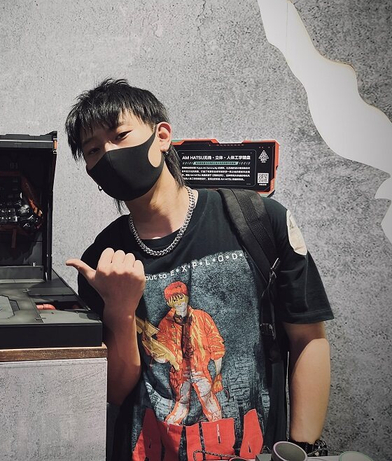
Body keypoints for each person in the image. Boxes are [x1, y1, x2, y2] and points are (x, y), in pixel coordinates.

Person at [64, 79, 333, 461]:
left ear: (162, 136)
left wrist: (302, 448)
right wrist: (120, 310)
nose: (108, 153)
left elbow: (308, 338)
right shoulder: (102, 260)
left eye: (120, 135)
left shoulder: (259, 220)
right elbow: (116, 391)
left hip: (253, 448)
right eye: (93, 150)